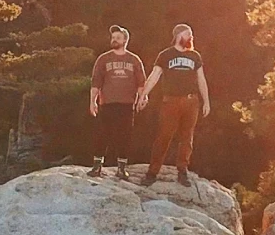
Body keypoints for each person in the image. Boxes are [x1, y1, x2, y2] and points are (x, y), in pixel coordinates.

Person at [136, 22, 209, 186]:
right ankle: (152, 172)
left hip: (191, 101)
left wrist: (206, 101)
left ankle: (182, 171)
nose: (190, 37)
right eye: (187, 33)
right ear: (178, 36)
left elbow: (201, 79)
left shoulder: (195, 56)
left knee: (187, 137)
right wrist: (143, 95)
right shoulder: (165, 55)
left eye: (191, 34)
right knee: (164, 136)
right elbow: (155, 76)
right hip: (170, 101)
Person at [88, 24, 145, 178]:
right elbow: (96, 82)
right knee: (102, 135)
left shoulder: (134, 60)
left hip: (126, 104)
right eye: (113, 37)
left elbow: (141, 83)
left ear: (125, 40)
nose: (114, 40)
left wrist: (142, 97)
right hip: (107, 103)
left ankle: (121, 169)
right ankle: (97, 166)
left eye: (118, 37)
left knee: (124, 136)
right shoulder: (104, 59)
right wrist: (92, 101)